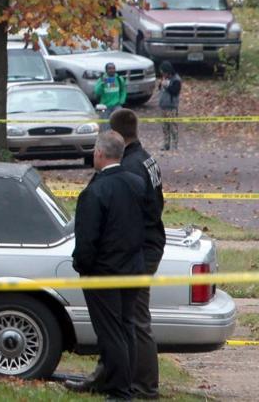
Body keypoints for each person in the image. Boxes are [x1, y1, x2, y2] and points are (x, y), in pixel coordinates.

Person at [67, 131, 147, 399]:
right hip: (133, 268)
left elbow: (87, 238)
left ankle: (119, 389)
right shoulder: (137, 184)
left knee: (111, 333)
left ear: (100, 154)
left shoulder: (96, 191)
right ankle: (124, 382)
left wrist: (82, 266)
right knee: (126, 328)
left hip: (104, 272)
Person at [108, 108, 166, 399]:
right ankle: (110, 375)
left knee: (137, 318)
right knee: (121, 317)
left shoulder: (131, 167)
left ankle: (145, 385)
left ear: (116, 134)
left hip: (141, 250)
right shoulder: (147, 158)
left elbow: (129, 217)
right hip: (150, 243)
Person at [158, 62, 182, 151]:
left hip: (171, 107)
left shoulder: (176, 80)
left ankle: (175, 145)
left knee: (173, 127)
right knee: (165, 127)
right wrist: (161, 84)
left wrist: (167, 85)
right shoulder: (164, 78)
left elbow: (175, 91)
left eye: (163, 72)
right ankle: (166, 144)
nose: (162, 74)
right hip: (163, 106)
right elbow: (160, 89)